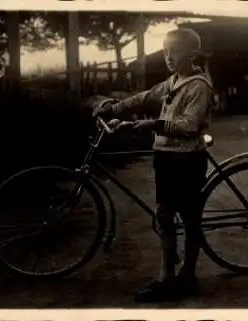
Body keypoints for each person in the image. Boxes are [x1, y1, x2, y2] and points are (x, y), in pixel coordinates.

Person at [93, 28, 215, 303]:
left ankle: (180, 277)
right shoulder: (174, 81)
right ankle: (171, 272)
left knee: (185, 218)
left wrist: (153, 124)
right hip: (167, 158)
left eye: (174, 52)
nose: (168, 57)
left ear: (192, 54)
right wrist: (113, 108)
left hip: (186, 159)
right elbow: (146, 96)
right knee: (165, 215)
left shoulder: (198, 85)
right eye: (165, 51)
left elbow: (190, 125)